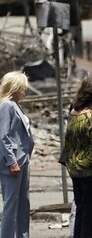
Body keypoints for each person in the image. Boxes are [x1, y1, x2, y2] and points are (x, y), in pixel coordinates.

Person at [62, 78, 92, 238]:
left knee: (81, 212)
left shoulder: (73, 114)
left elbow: (68, 143)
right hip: (91, 173)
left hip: (76, 172)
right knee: (90, 216)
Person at [0, 71, 34, 238]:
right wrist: (11, 161)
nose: (25, 91)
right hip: (14, 162)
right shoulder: (6, 106)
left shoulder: (16, 105)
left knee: (23, 204)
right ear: (14, 88)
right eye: (23, 88)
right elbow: (3, 136)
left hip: (23, 160)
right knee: (11, 205)